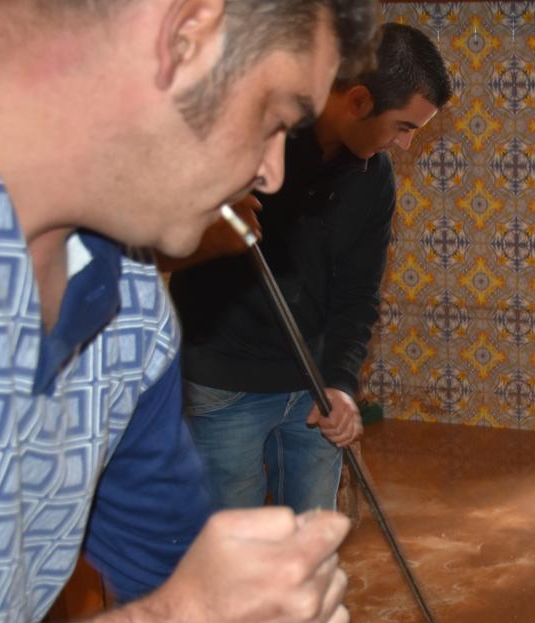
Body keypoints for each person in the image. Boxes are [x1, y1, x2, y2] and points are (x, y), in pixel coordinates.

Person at [0, 0, 377, 623]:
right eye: (275, 117)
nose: (272, 172)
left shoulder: (128, 310)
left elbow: (183, 584)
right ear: (188, 30)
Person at [168, 23, 452, 513]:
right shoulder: (245, 140)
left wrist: (341, 383)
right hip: (223, 386)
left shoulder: (374, 179)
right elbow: (148, 246)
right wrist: (202, 233)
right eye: (404, 127)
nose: (404, 145)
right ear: (358, 101)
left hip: (313, 389)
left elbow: (359, 293)